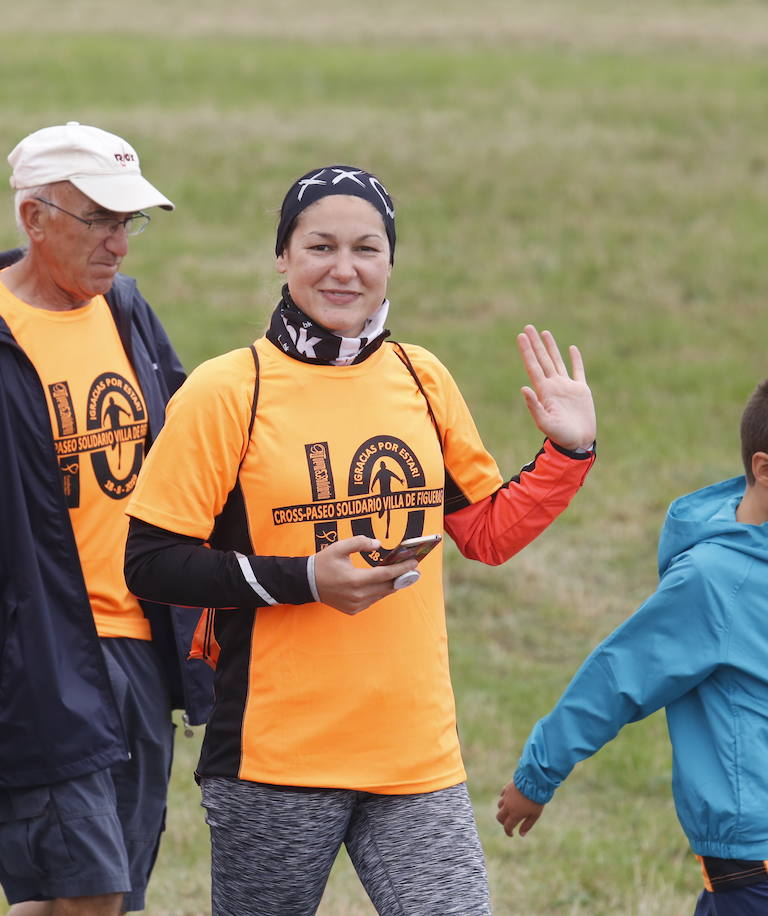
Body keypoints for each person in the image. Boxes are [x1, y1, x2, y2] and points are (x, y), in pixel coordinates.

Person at [123, 165, 598, 916]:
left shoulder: (422, 377)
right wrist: (305, 580)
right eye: (320, 246)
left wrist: (567, 455)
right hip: (274, 756)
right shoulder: (227, 390)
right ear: (283, 256)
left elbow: (485, 534)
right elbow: (150, 564)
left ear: (389, 263)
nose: (343, 269)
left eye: (367, 249)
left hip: (414, 753)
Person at [0, 121, 213, 916]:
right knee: (88, 895)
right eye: (98, 220)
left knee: (103, 897)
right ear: (33, 218)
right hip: (31, 667)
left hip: (139, 657)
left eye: (128, 222)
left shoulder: (127, 313)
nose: (119, 245)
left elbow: (188, 462)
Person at [497, 370, 768, 915]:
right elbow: (618, 678)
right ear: (765, 470)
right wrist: (538, 775)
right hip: (757, 846)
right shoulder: (712, 579)